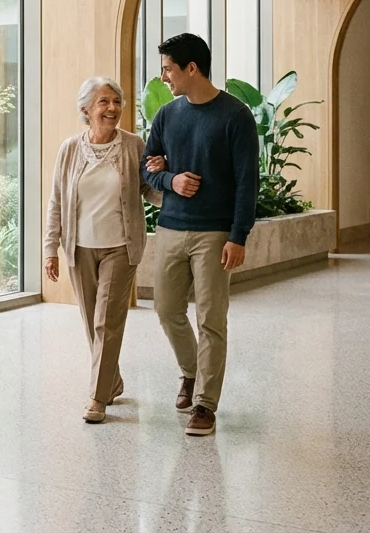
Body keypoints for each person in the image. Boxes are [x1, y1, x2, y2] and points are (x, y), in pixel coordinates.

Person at [141, 33, 259, 437]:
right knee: (166, 310)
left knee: (211, 319)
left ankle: (205, 404)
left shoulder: (236, 116)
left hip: (215, 233)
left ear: (192, 68)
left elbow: (247, 183)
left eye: (168, 70)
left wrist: (238, 236)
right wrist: (171, 180)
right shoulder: (167, 115)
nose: (164, 78)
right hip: (171, 227)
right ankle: (191, 373)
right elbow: (147, 167)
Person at [44, 77, 163, 424]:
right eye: (103, 102)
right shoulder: (69, 149)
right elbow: (56, 200)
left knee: (106, 323)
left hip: (120, 247)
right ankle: (111, 381)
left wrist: (170, 183)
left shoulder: (133, 145)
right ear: (86, 109)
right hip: (79, 247)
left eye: (116, 102)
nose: (112, 108)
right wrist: (50, 247)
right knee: (91, 323)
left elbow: (150, 190)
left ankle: (97, 397)